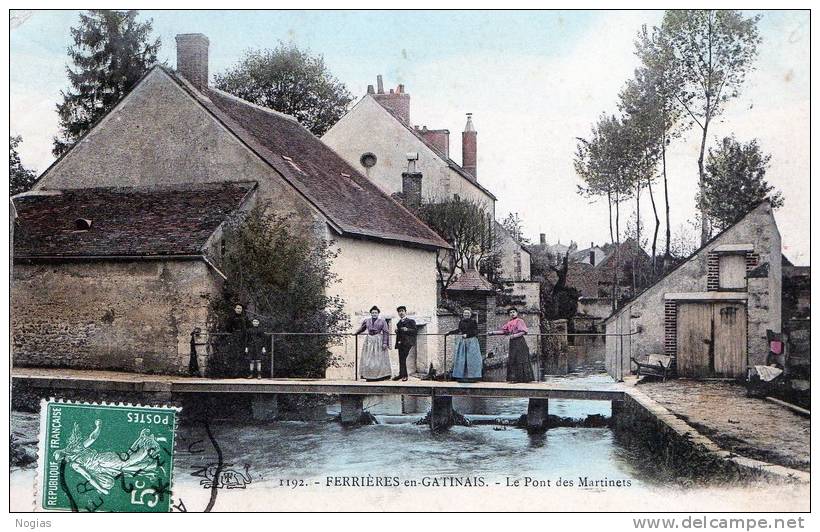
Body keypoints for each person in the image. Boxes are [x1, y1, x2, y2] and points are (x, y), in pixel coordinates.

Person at [489, 307, 534, 383]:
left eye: (513, 312)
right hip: (513, 343)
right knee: (513, 358)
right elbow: (504, 331)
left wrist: (514, 336)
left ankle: (523, 378)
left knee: (521, 358)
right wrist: (493, 332)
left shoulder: (520, 321)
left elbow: (523, 332)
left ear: (517, 313)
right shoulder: (509, 322)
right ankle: (515, 378)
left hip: (520, 342)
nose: (512, 314)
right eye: (510, 313)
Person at [354, 306, 392, 381]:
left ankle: (380, 376)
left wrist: (385, 343)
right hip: (369, 340)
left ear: (378, 314)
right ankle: (368, 376)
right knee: (368, 358)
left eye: (376, 313)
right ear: (371, 313)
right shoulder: (367, 321)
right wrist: (356, 333)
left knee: (378, 358)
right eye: (373, 313)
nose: (374, 314)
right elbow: (362, 328)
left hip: (378, 340)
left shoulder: (382, 321)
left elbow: (385, 332)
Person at [446, 307, 482, 382]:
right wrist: (449, 333)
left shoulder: (473, 322)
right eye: (465, 313)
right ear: (463, 314)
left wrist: (467, 335)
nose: (466, 314)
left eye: (468, 313)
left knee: (471, 359)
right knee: (462, 358)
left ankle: (473, 376)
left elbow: (476, 332)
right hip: (463, 342)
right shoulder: (461, 322)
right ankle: (462, 376)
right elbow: (459, 330)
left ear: (470, 314)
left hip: (472, 342)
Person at [394, 306, 417, 381]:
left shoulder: (411, 321)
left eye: (402, 311)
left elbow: (415, 331)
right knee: (401, 359)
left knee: (403, 358)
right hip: (401, 343)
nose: (401, 313)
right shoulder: (399, 323)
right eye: (399, 311)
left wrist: (407, 329)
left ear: (405, 312)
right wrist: (397, 332)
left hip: (408, 342)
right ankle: (401, 374)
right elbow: (400, 334)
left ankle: (405, 376)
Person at [226, 303, 248, 377]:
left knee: (242, 354)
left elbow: (248, 326)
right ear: (235, 309)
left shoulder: (244, 317)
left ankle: (242, 373)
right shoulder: (231, 317)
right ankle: (234, 373)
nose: (239, 310)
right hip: (235, 337)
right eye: (238, 308)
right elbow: (228, 327)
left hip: (243, 337)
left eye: (240, 309)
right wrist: (234, 333)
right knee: (234, 354)